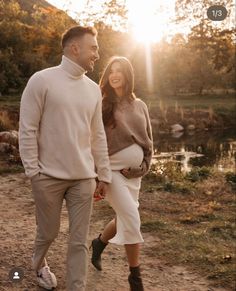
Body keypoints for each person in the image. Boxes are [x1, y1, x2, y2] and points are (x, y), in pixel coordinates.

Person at [19, 26, 112, 291]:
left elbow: (98, 135)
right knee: (48, 233)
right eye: (93, 47)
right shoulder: (41, 80)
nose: (97, 53)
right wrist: (32, 172)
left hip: (83, 178)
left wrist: (103, 174)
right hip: (47, 176)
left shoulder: (93, 90)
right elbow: (28, 128)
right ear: (75, 48)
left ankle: (76, 287)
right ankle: (39, 266)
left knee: (79, 240)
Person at [90, 56, 153, 291]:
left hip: (133, 174)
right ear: (107, 76)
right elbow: (94, 141)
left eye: (120, 71)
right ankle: (135, 278)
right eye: (111, 71)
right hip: (111, 172)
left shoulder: (140, 105)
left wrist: (143, 166)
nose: (115, 75)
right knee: (132, 217)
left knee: (124, 216)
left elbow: (148, 141)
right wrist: (100, 176)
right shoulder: (101, 103)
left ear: (128, 75)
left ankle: (98, 243)